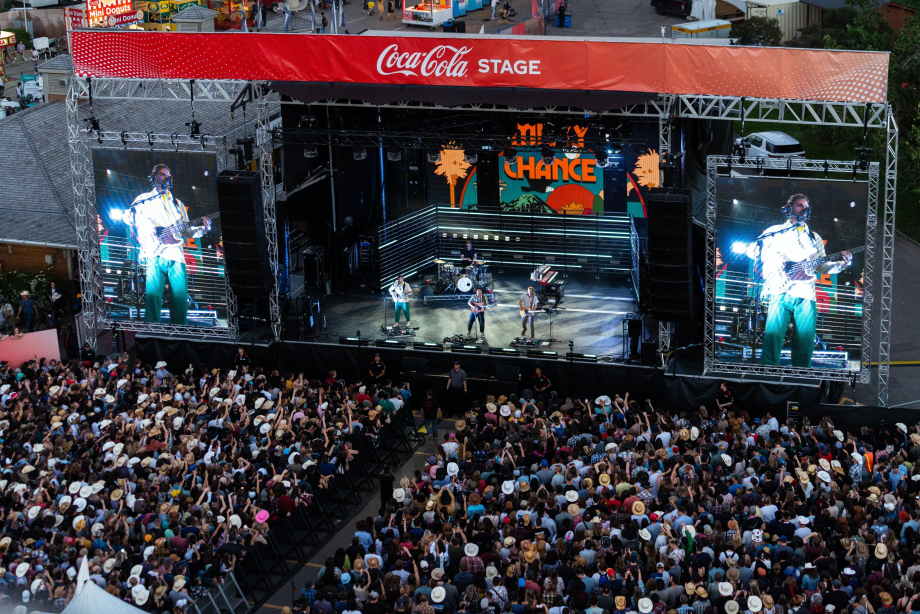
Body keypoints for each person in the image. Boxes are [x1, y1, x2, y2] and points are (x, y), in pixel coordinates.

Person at [745, 193, 853, 367]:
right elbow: (751, 250)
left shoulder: (815, 238)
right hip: (780, 289)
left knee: (805, 338)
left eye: (806, 205)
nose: (804, 208)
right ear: (789, 209)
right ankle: (768, 371)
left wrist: (842, 265)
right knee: (773, 335)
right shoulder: (774, 231)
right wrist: (774, 258)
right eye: (799, 205)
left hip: (806, 293)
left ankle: (802, 373)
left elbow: (821, 267)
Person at [123, 163, 212, 326]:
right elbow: (126, 217)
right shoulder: (143, 199)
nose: (167, 177)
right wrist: (149, 231)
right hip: (155, 253)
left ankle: (180, 332)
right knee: (153, 297)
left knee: (179, 298)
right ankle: (153, 333)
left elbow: (187, 231)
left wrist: (204, 229)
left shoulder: (177, 204)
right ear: (154, 178)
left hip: (176, 256)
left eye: (168, 174)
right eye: (163, 174)